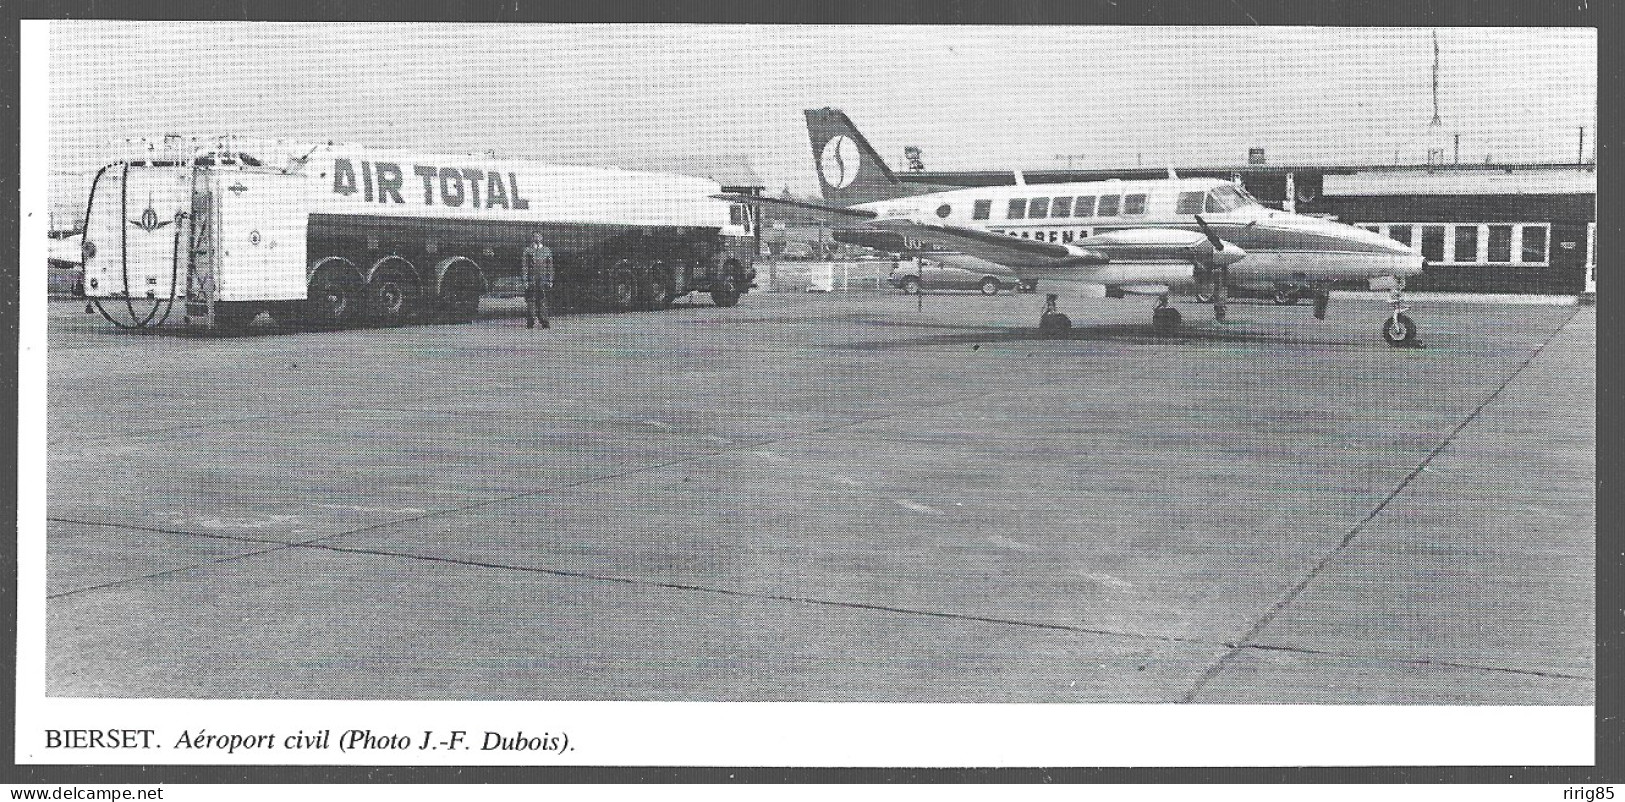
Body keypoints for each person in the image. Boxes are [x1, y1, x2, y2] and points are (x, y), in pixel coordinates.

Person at [521, 233, 554, 329]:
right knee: (531, 301)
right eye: (535, 236)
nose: (537, 238)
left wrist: (550, 280)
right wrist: (525, 281)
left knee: (542, 301)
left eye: (539, 236)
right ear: (532, 238)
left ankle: (544, 321)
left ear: (542, 238)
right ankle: (530, 322)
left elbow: (550, 267)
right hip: (531, 280)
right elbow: (525, 267)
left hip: (543, 280)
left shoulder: (547, 251)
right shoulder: (527, 250)